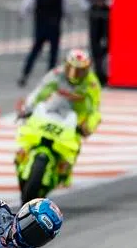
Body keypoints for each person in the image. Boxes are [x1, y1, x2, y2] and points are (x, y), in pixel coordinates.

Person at [17, 48, 102, 189]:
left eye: (80, 70)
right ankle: (22, 154)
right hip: (53, 109)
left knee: (74, 143)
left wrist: (88, 126)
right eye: (72, 68)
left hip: (76, 116)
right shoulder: (56, 74)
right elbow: (40, 91)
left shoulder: (92, 84)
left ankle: (65, 168)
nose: (74, 74)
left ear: (87, 70)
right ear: (66, 65)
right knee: (28, 128)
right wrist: (28, 107)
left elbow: (95, 110)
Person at [18, 0, 67, 87]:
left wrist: (23, 14)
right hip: (53, 24)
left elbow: (29, 2)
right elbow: (65, 6)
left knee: (36, 50)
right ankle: (48, 79)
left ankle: (25, 74)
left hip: (42, 22)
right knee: (52, 53)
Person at [82, 0, 110, 84]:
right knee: (95, 46)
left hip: (106, 15)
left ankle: (104, 72)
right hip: (96, 15)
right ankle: (99, 72)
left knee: (106, 45)